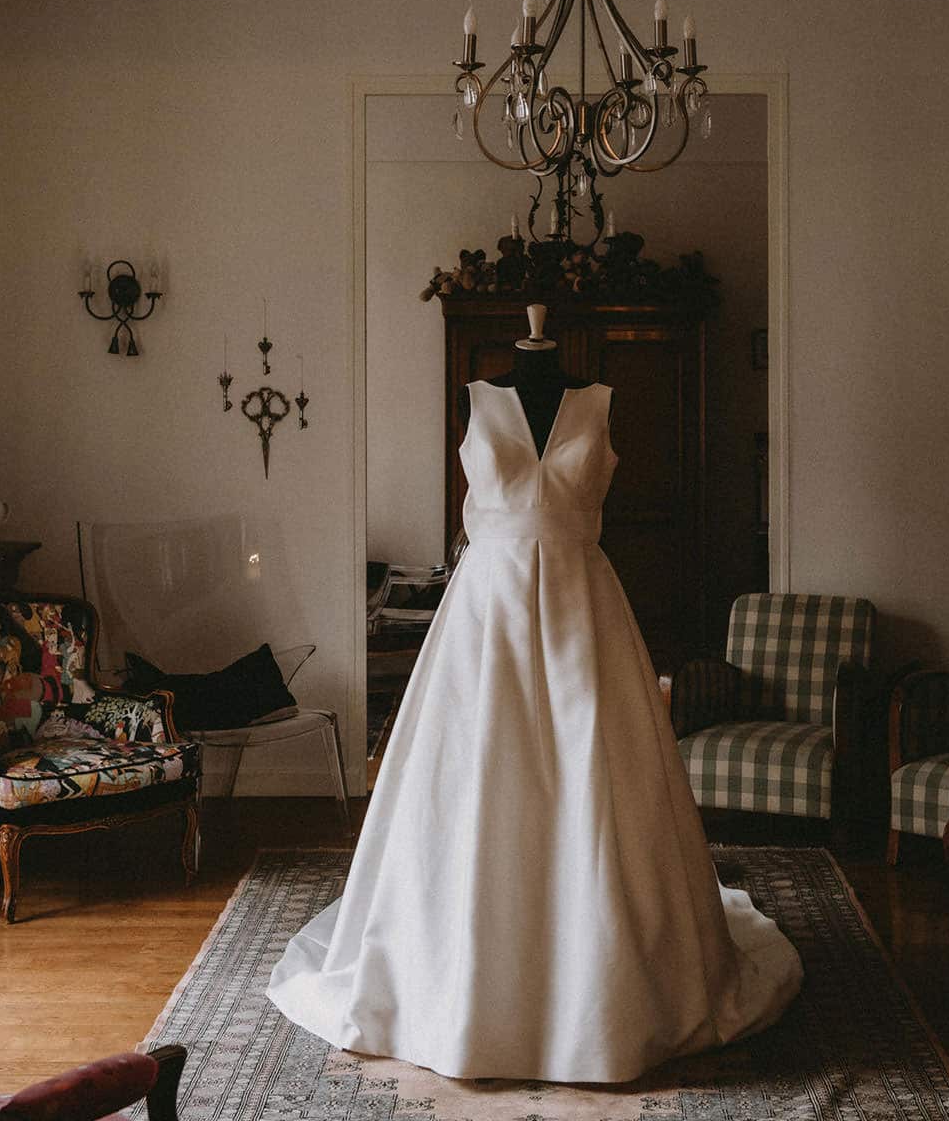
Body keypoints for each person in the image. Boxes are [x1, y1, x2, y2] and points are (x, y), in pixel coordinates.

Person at [267, 308, 802, 1083]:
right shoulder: (475, 398)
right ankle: (462, 979)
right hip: (486, 615)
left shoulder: (599, 400)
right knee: (478, 774)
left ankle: (602, 982)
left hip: (585, 609)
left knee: (594, 776)